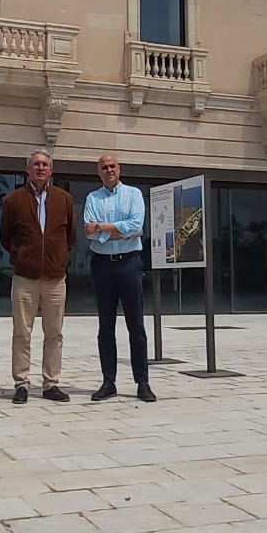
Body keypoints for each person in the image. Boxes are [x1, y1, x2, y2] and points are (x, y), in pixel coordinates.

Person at [0, 149, 73, 404]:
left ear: (51, 171)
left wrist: (58, 258)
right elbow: (5, 237)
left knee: (55, 333)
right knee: (22, 332)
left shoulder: (64, 199)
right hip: (24, 278)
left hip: (55, 278)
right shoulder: (13, 200)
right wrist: (22, 256)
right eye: (35, 164)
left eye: (44, 165)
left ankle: (51, 383)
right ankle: (21, 383)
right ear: (27, 169)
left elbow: (70, 236)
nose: (40, 168)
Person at [84, 155, 156, 402]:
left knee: (136, 325)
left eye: (112, 166)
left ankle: (142, 382)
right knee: (106, 326)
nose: (109, 170)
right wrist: (119, 230)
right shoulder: (92, 198)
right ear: (99, 172)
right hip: (102, 266)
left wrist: (103, 228)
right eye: (104, 167)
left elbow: (137, 226)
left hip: (129, 264)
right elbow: (88, 231)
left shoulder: (134, 194)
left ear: (119, 169)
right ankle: (108, 381)